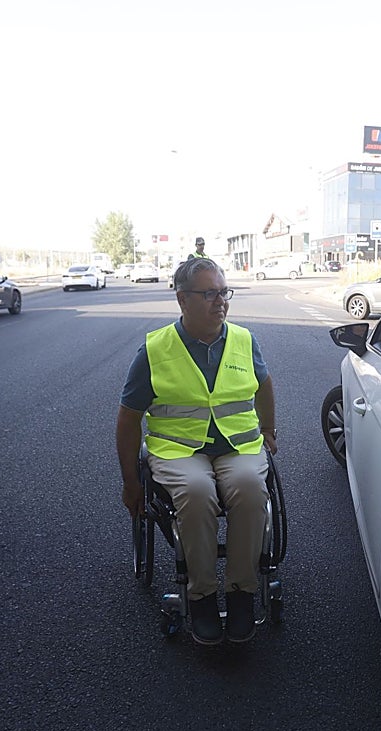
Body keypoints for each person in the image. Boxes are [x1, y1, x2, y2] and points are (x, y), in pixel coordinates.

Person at [116, 258, 277, 645]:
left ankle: (242, 592)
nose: (220, 301)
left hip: (237, 445)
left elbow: (264, 385)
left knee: (251, 489)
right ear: (182, 300)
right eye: (209, 294)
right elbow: (127, 420)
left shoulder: (243, 339)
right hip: (177, 450)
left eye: (223, 292)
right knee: (196, 492)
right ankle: (201, 595)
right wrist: (131, 483)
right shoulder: (155, 350)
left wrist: (268, 430)